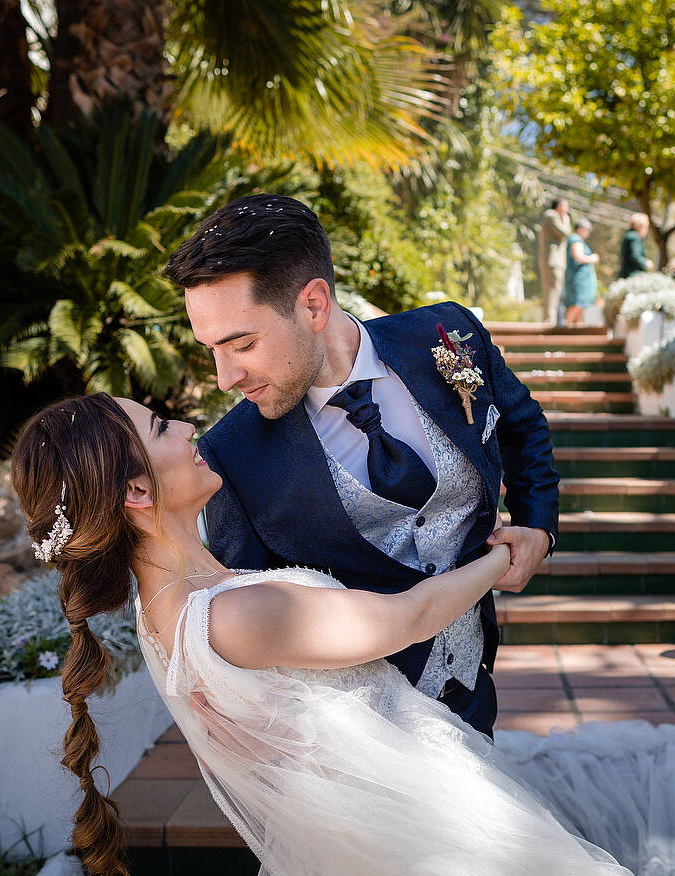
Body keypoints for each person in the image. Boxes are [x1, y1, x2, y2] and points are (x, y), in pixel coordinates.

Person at [10, 393, 675, 876]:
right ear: (138, 493)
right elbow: (407, 619)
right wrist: (504, 557)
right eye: (163, 428)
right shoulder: (233, 616)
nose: (188, 427)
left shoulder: (165, 610)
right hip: (422, 820)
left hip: (366, 838)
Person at [162, 195, 559, 742]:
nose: (224, 376)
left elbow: (522, 425)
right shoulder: (230, 457)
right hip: (357, 745)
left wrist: (538, 525)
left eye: (242, 344)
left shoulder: (446, 335)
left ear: (314, 305)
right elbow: (252, 631)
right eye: (211, 349)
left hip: (473, 691)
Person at [536, 198, 571, 324]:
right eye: (566, 206)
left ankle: (550, 320)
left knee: (552, 290)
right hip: (553, 260)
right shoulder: (551, 215)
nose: (568, 210)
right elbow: (565, 232)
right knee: (552, 290)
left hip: (552, 260)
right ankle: (549, 322)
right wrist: (566, 221)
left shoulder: (551, 216)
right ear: (559, 206)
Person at [562, 218, 600, 328]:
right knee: (577, 304)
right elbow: (578, 257)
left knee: (582, 306)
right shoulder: (575, 238)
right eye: (586, 230)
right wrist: (592, 258)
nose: (587, 234)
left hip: (582, 279)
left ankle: (577, 329)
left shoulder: (579, 240)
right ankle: (565, 329)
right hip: (578, 279)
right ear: (580, 229)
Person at [619, 211, 653, 278]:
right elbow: (635, 256)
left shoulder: (629, 235)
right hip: (632, 275)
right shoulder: (634, 237)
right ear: (640, 226)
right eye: (646, 227)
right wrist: (646, 263)